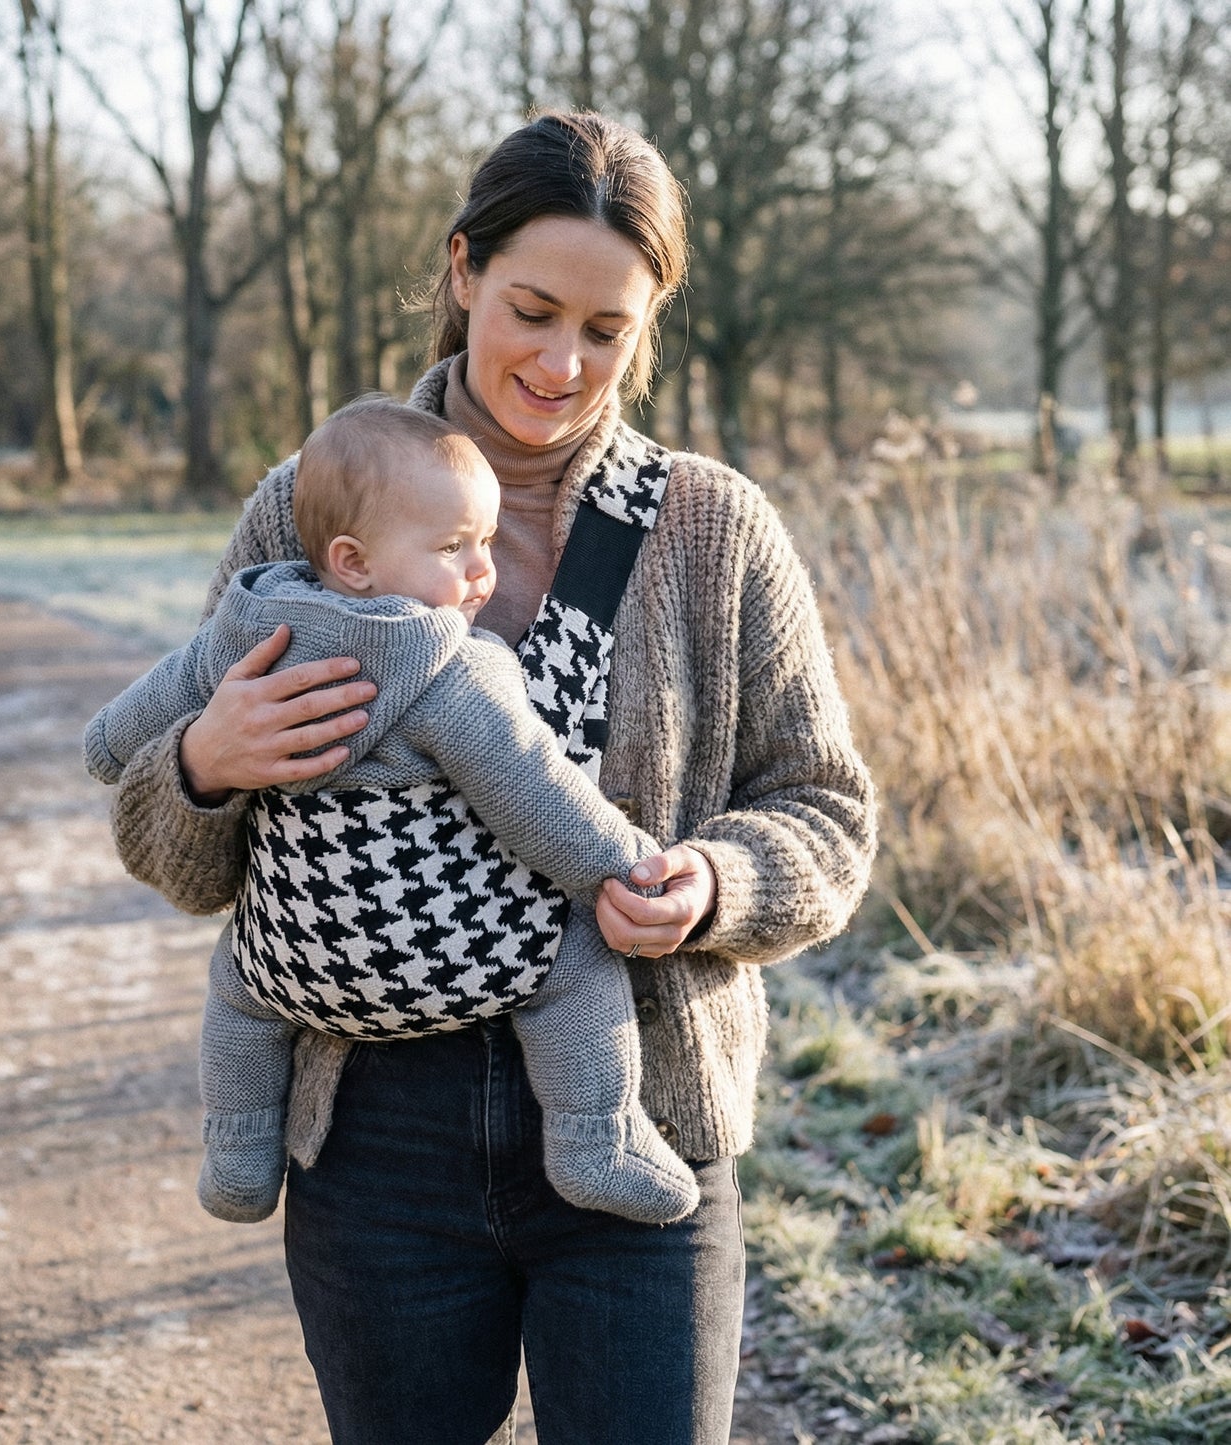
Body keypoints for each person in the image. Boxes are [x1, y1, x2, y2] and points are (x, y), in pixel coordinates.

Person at [107, 111, 876, 1445]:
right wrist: (201, 766)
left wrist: (713, 880)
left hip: (636, 1112)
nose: (562, 361)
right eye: (531, 308)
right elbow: (177, 857)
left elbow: (827, 811)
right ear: (462, 270)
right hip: (373, 1144)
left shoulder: (710, 528)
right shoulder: (309, 509)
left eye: (606, 329)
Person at [85, 396, 698, 1228]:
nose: (482, 570)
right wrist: (627, 866)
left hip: (295, 963)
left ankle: (236, 1151)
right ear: (354, 560)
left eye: (485, 543)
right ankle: (595, 1138)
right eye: (455, 548)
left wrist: (147, 741)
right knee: (577, 957)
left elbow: (118, 736)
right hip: (464, 960)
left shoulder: (248, 623)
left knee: (235, 989)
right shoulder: (446, 664)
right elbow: (532, 790)